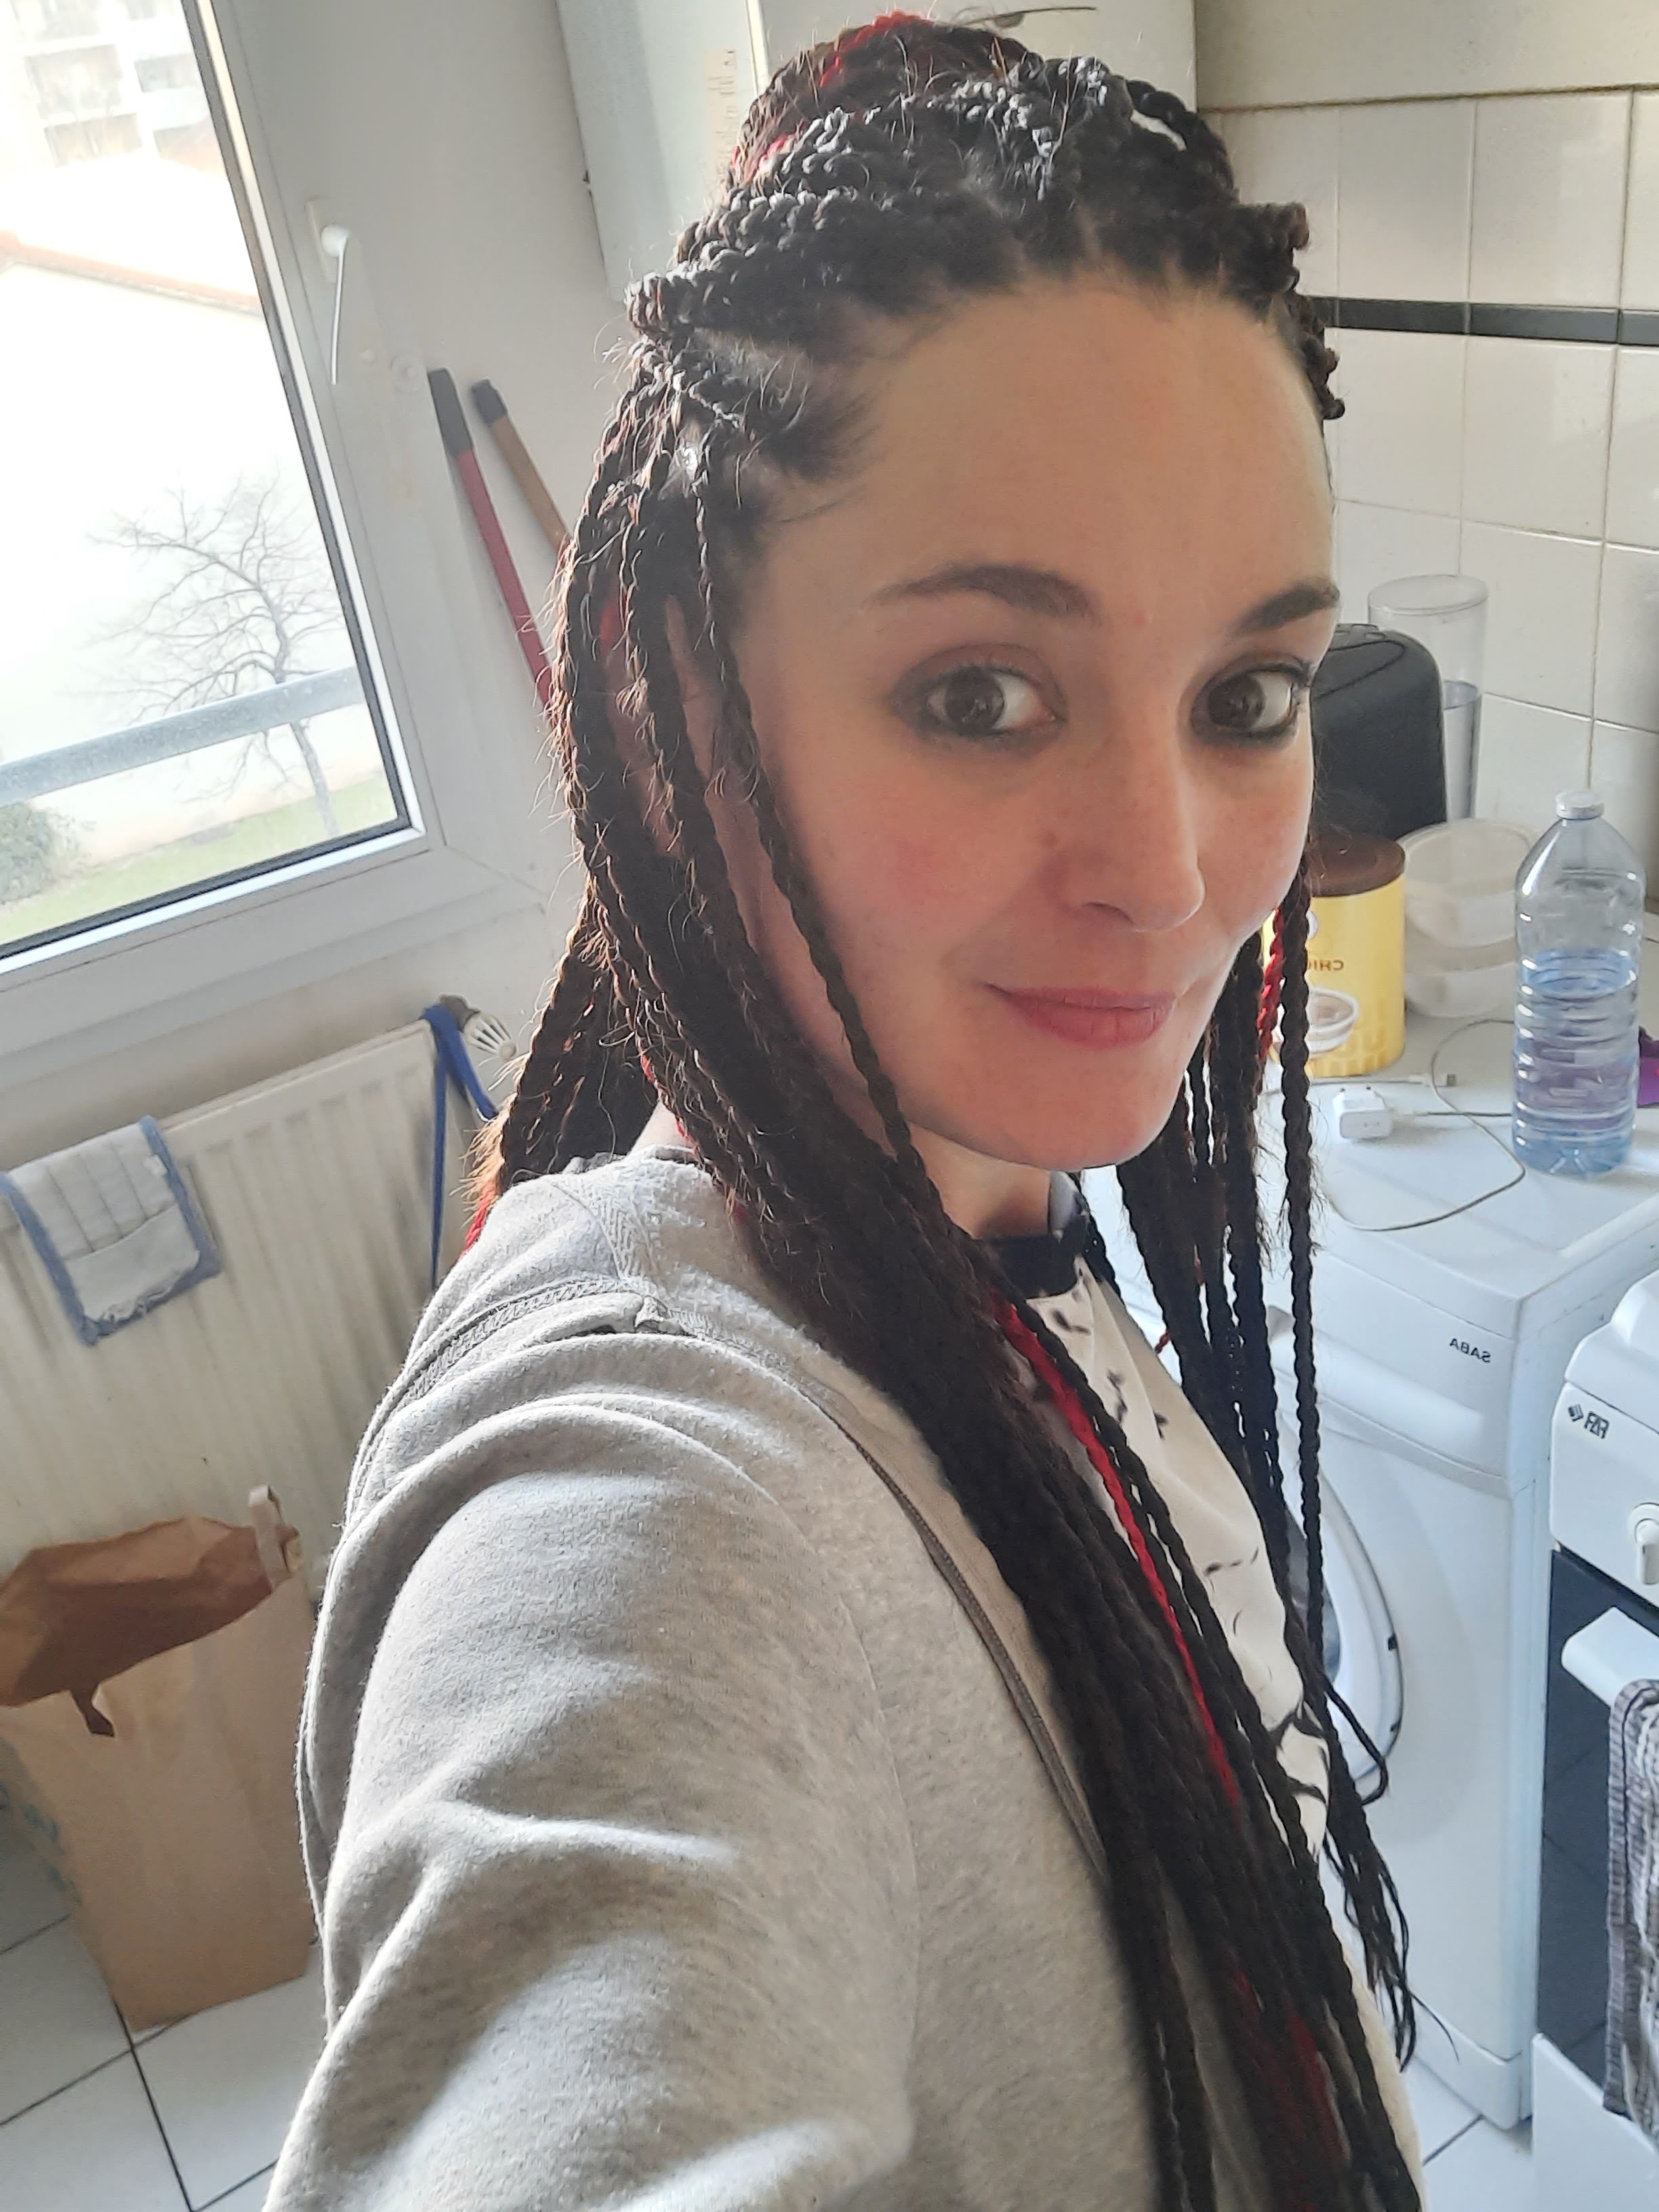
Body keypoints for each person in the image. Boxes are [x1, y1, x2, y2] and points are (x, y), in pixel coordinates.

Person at [270, 18, 1425, 2210]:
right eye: (981, 695)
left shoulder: (993, 1225)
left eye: (1247, 694)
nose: (1169, 868)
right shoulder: (642, 1495)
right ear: (671, 717)